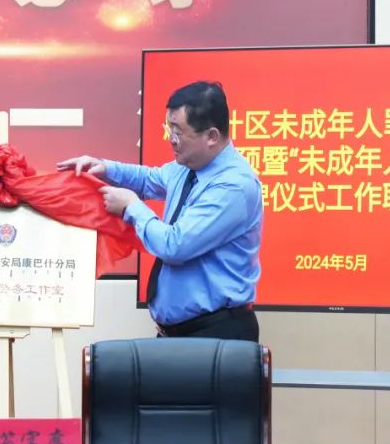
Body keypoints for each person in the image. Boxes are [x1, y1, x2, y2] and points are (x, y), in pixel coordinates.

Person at [58, 81, 263, 341]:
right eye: (169, 129)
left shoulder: (233, 185)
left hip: (216, 334)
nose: (171, 140)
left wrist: (132, 207)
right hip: (179, 334)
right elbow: (149, 179)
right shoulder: (189, 165)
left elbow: (175, 245)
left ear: (211, 136)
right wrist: (104, 168)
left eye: (179, 133)